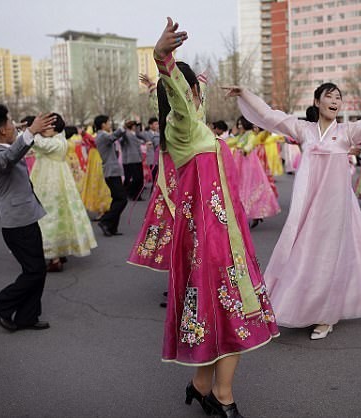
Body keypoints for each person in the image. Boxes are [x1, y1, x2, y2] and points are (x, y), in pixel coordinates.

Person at [227, 69, 361, 340]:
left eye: (339, 97)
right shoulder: (304, 130)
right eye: (329, 96)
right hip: (307, 205)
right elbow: (269, 116)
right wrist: (245, 94)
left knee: (328, 258)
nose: (335, 100)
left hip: (336, 207)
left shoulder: (348, 132)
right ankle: (294, 306)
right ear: (317, 102)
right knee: (300, 254)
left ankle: (326, 316)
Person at [153, 18, 279, 417]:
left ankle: (200, 386)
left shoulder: (193, 127)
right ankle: (223, 397)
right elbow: (179, 95)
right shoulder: (185, 126)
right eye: (193, 89)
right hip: (213, 240)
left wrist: (197, 78)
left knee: (217, 317)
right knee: (236, 315)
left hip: (218, 236)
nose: (197, 94)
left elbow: (195, 93)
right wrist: (163, 60)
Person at [0, 107, 56, 331]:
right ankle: (0, 305)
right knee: (34, 271)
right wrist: (30, 131)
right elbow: (9, 157)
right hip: (17, 222)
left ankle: (27, 317)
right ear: (2, 130)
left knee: (36, 269)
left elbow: (10, 147)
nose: (14, 125)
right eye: (10, 122)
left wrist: (21, 129)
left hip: (26, 217)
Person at [28, 113, 97, 272]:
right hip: (48, 181)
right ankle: (58, 252)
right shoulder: (56, 140)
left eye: (47, 125)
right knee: (55, 217)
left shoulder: (58, 142)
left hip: (53, 184)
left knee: (50, 217)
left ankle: (55, 257)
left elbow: (38, 144)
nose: (43, 128)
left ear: (54, 127)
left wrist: (29, 132)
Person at [94, 115, 126, 236]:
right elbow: (113, 137)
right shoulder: (102, 135)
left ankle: (112, 227)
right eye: (108, 123)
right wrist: (121, 127)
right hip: (111, 171)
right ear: (103, 124)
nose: (109, 125)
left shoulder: (102, 135)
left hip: (112, 171)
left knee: (117, 199)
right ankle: (105, 221)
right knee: (122, 199)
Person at [120, 120, 145, 200]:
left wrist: (139, 123)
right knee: (135, 178)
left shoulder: (136, 134)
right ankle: (129, 192)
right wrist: (123, 129)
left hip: (138, 159)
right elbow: (122, 140)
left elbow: (141, 135)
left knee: (140, 178)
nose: (136, 127)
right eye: (134, 125)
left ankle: (136, 195)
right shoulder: (126, 134)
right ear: (132, 126)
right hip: (130, 160)